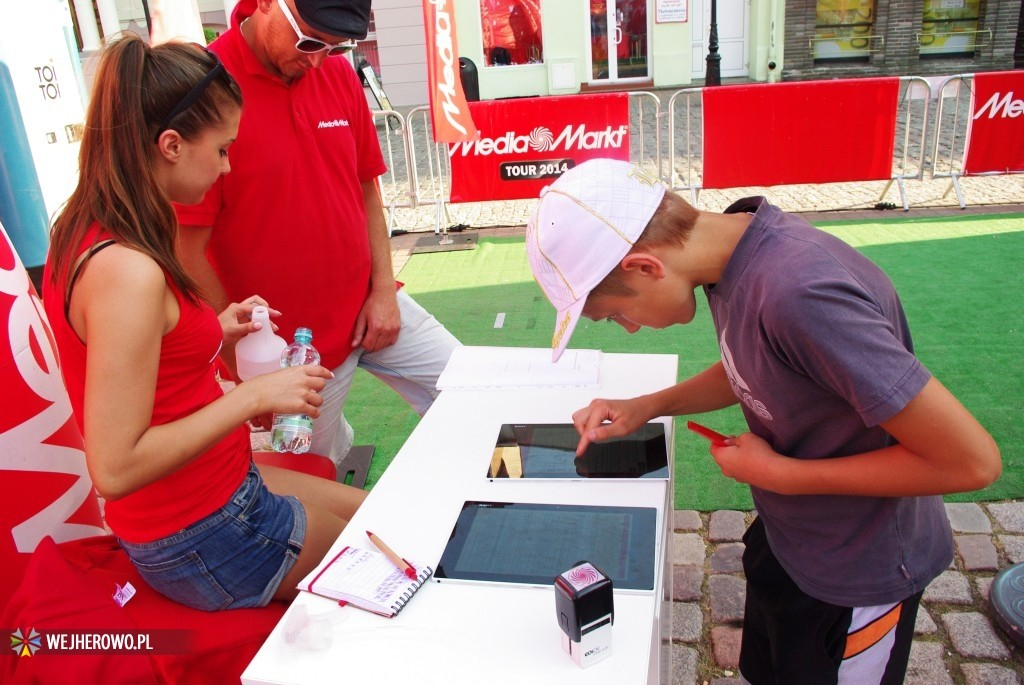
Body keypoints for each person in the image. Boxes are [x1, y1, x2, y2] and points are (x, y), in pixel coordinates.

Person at [525, 159, 1001, 683]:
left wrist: (783, 475)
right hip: (791, 539)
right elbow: (756, 358)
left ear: (645, 267)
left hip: (857, 571)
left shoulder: (800, 293)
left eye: (614, 313)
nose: (630, 328)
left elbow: (970, 461)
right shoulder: (731, 255)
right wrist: (648, 405)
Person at [43, 35, 366, 611]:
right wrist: (254, 397)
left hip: (214, 497)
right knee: (386, 547)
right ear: (170, 145)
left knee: (377, 512)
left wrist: (214, 327)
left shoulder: (87, 227)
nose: (227, 165)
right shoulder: (127, 270)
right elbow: (115, 468)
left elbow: (146, 354)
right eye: (221, 149)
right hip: (204, 533)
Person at [175, 0, 460, 467]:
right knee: (311, 477)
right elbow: (188, 247)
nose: (316, 60)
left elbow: (366, 186)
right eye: (309, 41)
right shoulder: (206, 87)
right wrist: (242, 366)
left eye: (335, 46)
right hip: (285, 351)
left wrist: (384, 291)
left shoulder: (337, 73)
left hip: (368, 304)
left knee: (470, 384)